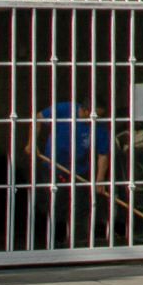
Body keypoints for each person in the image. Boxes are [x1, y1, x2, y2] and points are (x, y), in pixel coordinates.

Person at [30, 96, 114, 248]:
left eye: (99, 116)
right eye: (93, 115)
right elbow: (38, 117)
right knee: (56, 204)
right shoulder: (63, 109)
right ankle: (54, 242)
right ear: (83, 109)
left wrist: (99, 180)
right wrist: (32, 142)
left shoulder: (100, 127)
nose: (95, 119)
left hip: (80, 172)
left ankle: (88, 243)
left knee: (83, 206)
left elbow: (103, 155)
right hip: (53, 167)